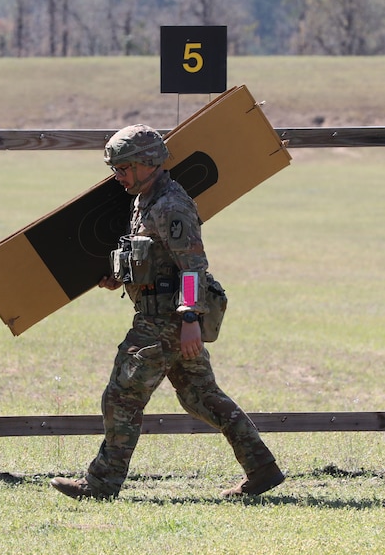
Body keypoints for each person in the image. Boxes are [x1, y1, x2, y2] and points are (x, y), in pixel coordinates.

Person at [51, 124, 284, 501]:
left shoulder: (170, 205)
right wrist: (120, 276)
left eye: (124, 168)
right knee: (202, 397)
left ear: (148, 163)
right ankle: (262, 469)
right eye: (116, 169)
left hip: (164, 321)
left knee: (121, 396)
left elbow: (193, 266)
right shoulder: (145, 198)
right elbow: (153, 255)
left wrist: (190, 318)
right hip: (162, 314)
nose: (118, 176)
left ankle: (100, 485)